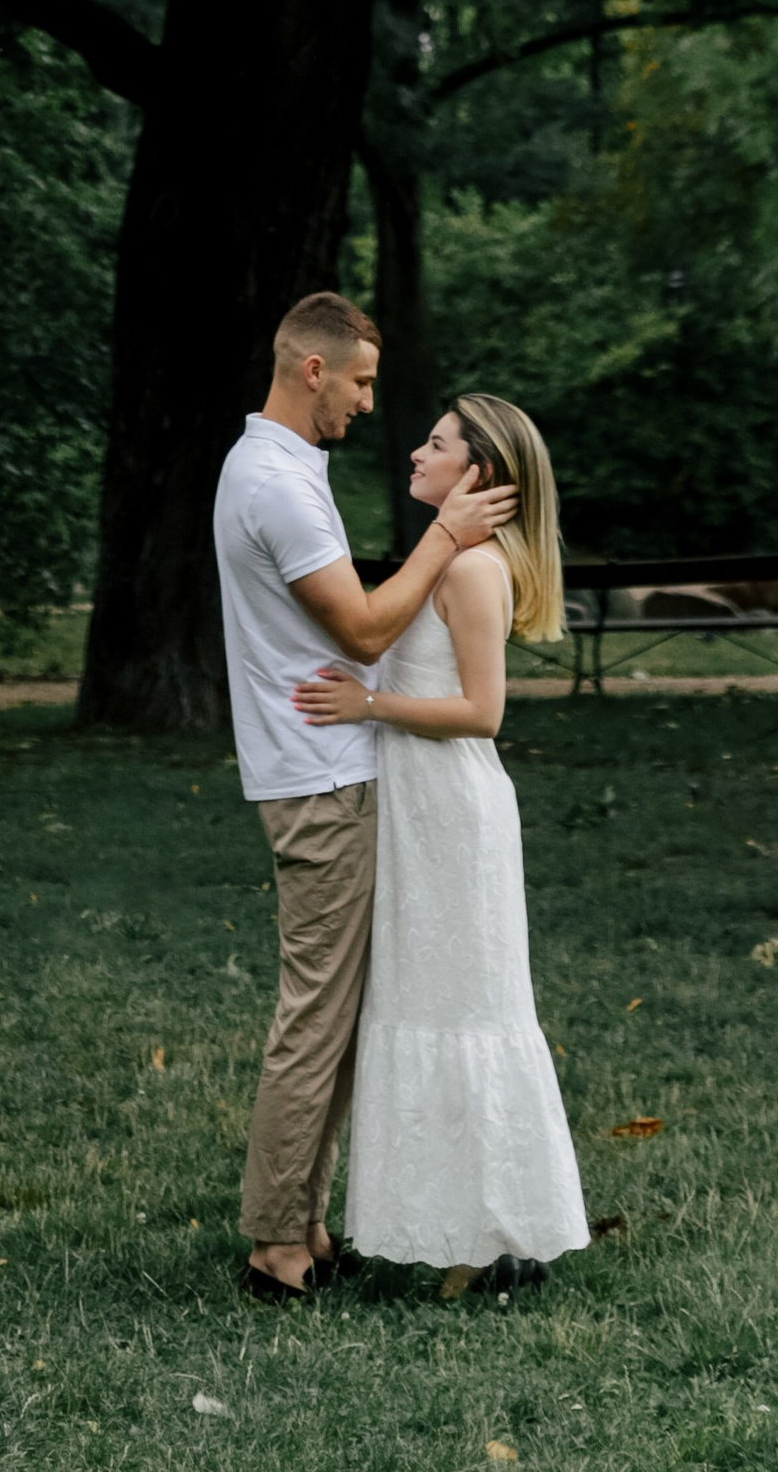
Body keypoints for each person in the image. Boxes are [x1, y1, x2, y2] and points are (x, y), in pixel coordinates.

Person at [211, 291, 517, 1307]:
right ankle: (276, 1246)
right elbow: (365, 630)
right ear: (313, 370)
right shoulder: (277, 485)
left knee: (334, 1015)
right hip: (322, 778)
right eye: (361, 381)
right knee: (316, 1018)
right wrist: (447, 532)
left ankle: (303, 1220)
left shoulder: (285, 467)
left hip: (330, 768)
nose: (370, 402)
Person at [294, 390, 589, 1295]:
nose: (417, 453)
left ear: (479, 472)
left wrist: (368, 703)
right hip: (419, 812)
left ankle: (495, 1238)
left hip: (455, 814)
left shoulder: (472, 571)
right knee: (427, 1002)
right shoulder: (447, 559)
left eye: (436, 443)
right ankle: (457, 1228)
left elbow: (482, 711)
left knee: (466, 1010)